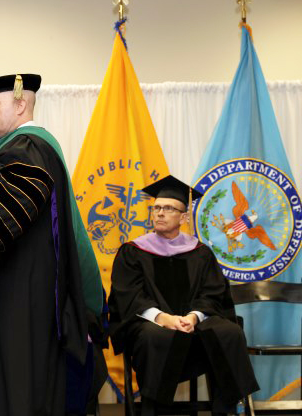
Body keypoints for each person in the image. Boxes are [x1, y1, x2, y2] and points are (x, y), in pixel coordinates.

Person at [0, 74, 97, 415]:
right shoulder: (25, 149)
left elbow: (2, 215)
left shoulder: (30, 148)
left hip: (25, 296)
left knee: (17, 380)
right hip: (19, 284)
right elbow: (15, 222)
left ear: (21, 104)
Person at [107, 175, 259, 414]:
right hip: (152, 325)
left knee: (229, 332)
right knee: (154, 336)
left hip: (192, 324)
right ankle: (153, 409)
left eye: (168, 208)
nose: (159, 213)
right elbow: (129, 295)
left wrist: (194, 317)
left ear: (184, 217)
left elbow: (213, 293)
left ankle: (225, 408)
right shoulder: (134, 251)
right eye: (156, 207)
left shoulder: (200, 253)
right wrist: (163, 319)